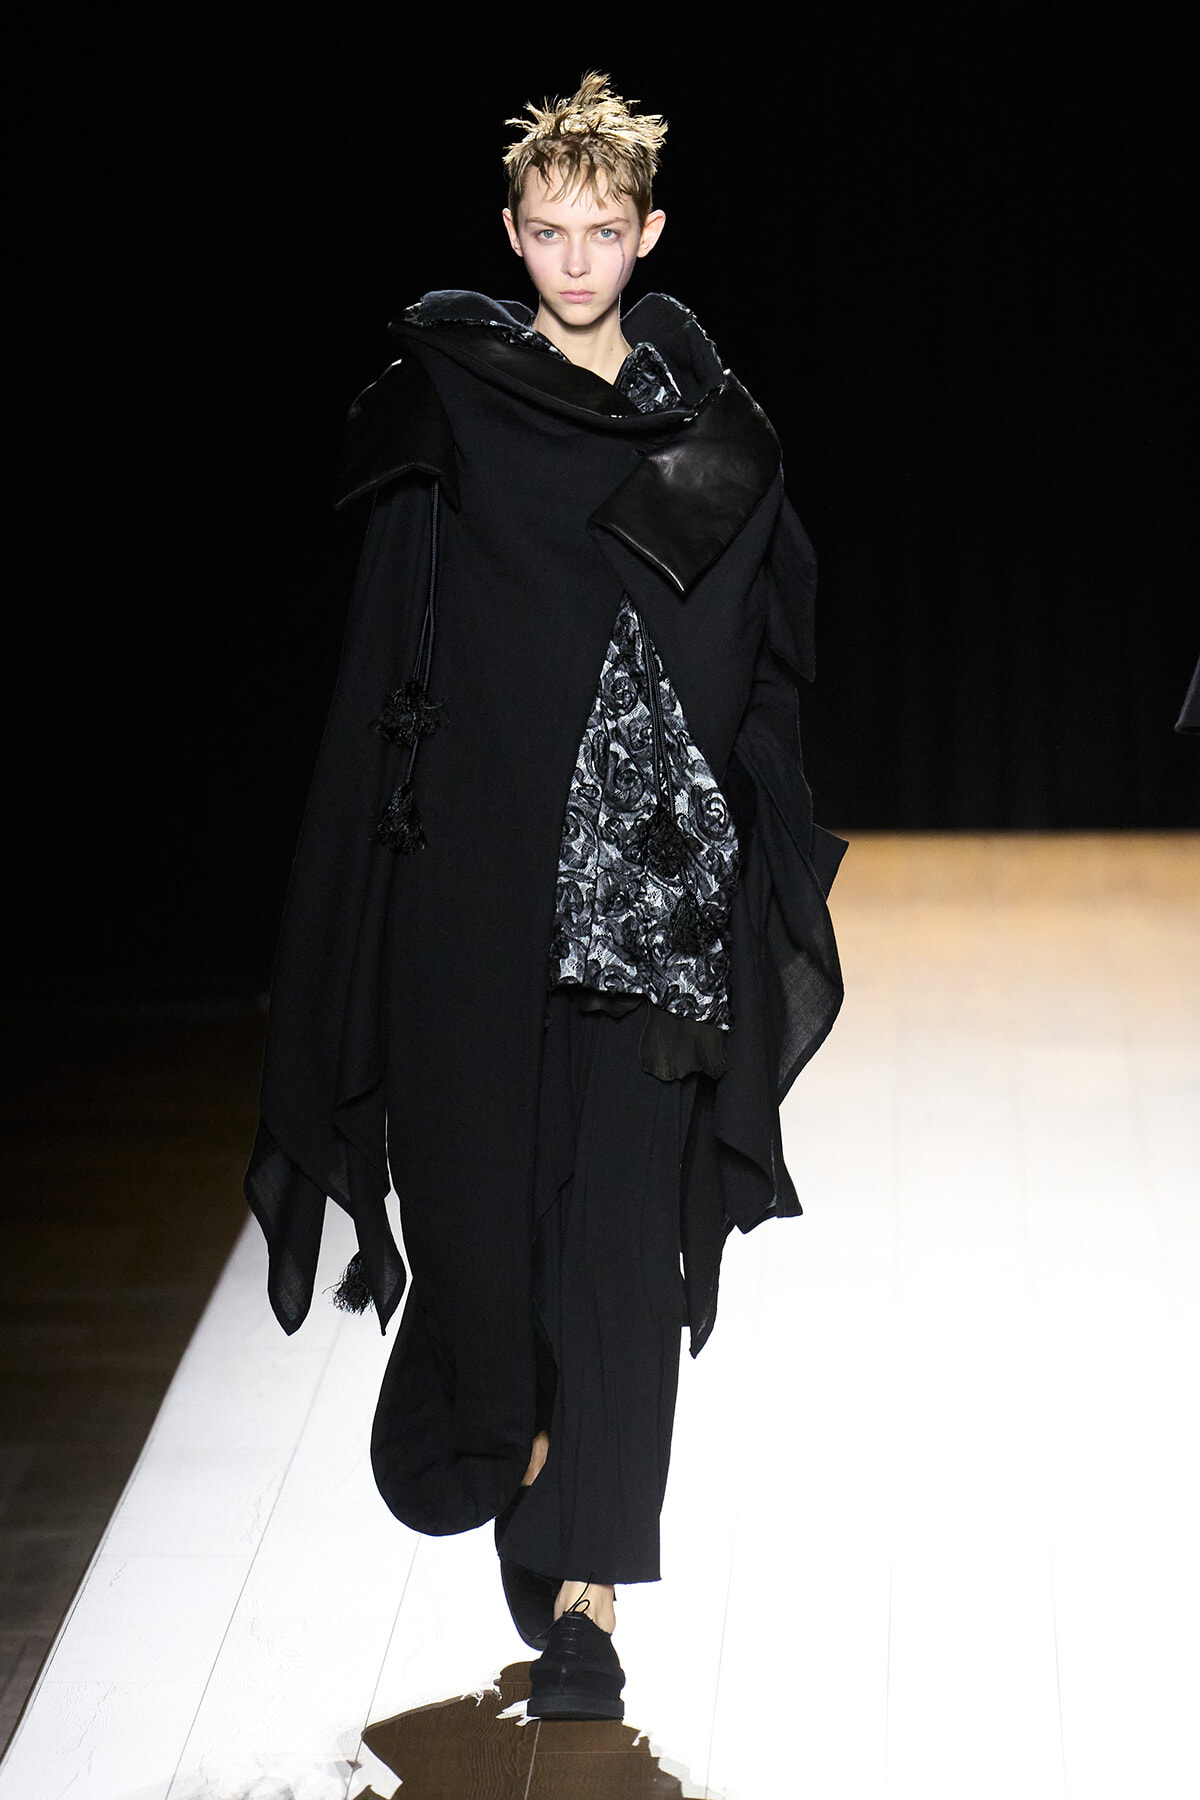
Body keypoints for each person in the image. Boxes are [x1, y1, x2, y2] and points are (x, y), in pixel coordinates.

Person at [244, 71, 846, 1723]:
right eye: (550, 231)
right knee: (486, 1229)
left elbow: (766, 659)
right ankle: (504, 1428)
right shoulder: (444, 408)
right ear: (513, 237)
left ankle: (587, 1597)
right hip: (473, 894)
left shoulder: (714, 435)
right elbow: (385, 662)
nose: (578, 259)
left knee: (617, 1253)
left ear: (649, 235)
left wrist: (727, 837)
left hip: (648, 906)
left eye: (605, 231)